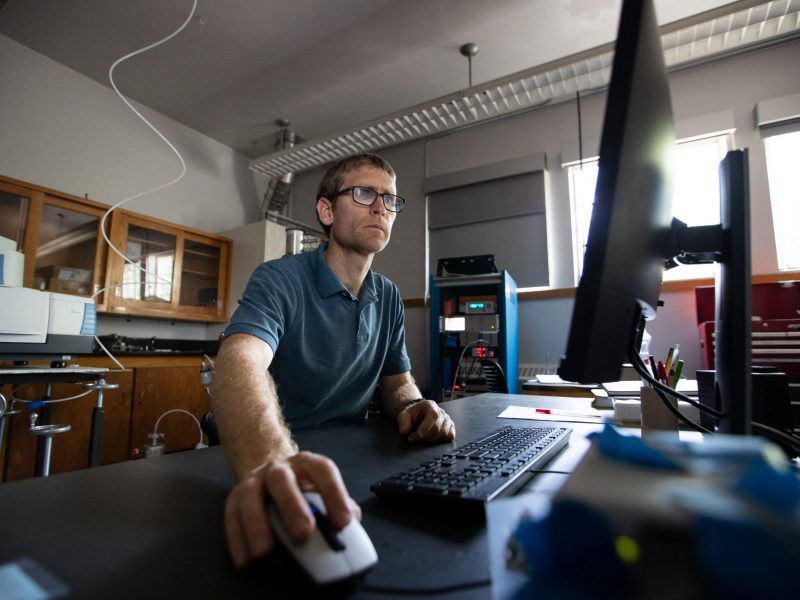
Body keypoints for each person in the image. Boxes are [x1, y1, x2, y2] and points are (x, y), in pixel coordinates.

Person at [210, 153, 456, 569]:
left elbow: (397, 382)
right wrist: (270, 460)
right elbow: (239, 362)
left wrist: (414, 405)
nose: (380, 207)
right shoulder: (279, 279)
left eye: (390, 199)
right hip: (276, 451)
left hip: (350, 458)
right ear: (326, 211)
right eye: (363, 193)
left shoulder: (389, 296)